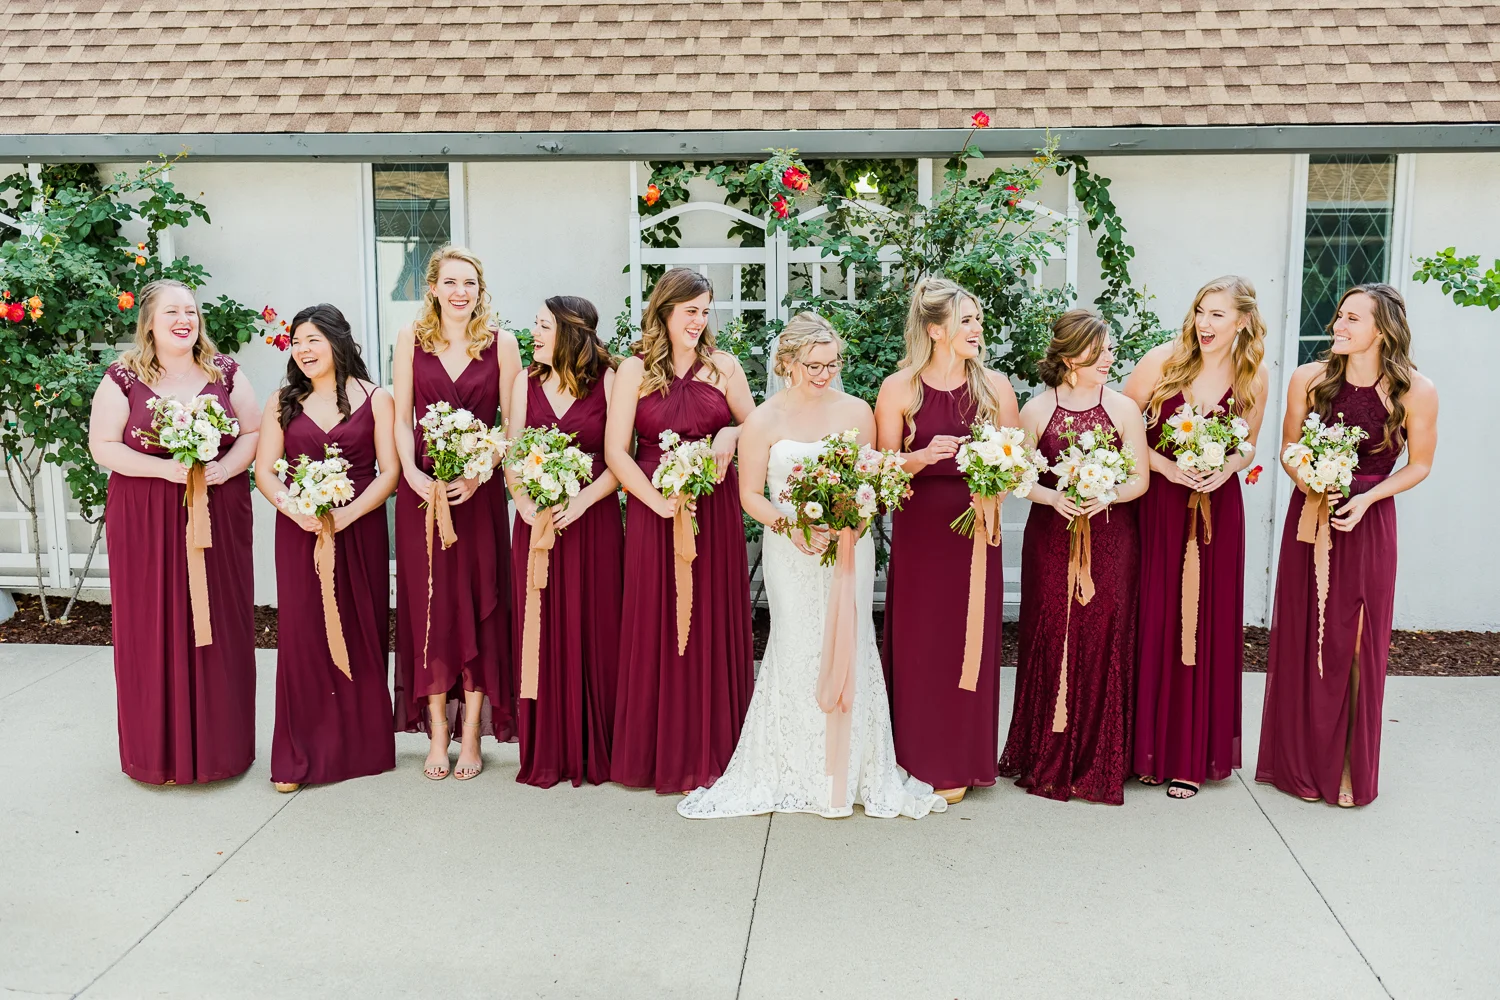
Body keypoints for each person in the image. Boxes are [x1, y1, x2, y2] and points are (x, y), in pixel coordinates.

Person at [679, 313, 946, 819]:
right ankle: (795, 770)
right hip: (790, 549)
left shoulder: (856, 411)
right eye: (814, 365)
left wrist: (855, 517)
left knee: (852, 641)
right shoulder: (764, 420)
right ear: (786, 363)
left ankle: (852, 770)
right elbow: (750, 496)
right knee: (797, 645)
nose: (825, 374)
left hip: (848, 547)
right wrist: (792, 526)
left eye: (832, 364)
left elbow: (872, 478)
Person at [1257, 284, 1438, 807]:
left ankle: (1345, 767)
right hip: (1313, 515)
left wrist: (1368, 497)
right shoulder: (1309, 379)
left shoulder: (1416, 390)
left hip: (1370, 520)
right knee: (1307, 636)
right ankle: (1300, 764)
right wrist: (1312, 481)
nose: (1338, 325)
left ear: (1383, 330)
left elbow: (1420, 464)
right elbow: (1289, 448)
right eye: (1339, 316)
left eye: (1352, 319)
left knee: (1357, 644)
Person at [88, 278, 261, 785]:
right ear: (149, 323)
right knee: (151, 623)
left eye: (190, 311)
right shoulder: (123, 377)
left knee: (222, 621)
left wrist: (226, 468)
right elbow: (103, 446)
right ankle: (156, 755)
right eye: (172, 312)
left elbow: (252, 431)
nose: (185, 320)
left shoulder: (225, 371)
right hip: (145, 515)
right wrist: (164, 470)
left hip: (217, 509)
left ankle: (222, 751)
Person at [606, 268, 755, 794]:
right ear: (665, 311)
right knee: (657, 620)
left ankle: (711, 750)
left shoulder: (724, 367)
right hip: (655, 510)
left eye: (705, 311)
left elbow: (758, 426)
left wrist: (731, 433)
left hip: (713, 510)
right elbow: (616, 451)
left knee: (710, 618)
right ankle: (658, 754)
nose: (699, 320)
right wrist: (656, 504)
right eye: (690, 310)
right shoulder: (634, 370)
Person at [1123, 276, 1270, 799]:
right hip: (1158, 507)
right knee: (1155, 616)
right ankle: (1147, 749)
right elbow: (1119, 431)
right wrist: (1166, 467)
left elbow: (1249, 444)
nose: (1204, 324)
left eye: (1217, 315)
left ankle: (1190, 755)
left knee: (1206, 623)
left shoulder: (1254, 375)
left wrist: (1226, 467)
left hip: (1217, 511)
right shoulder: (1161, 362)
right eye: (1200, 311)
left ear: (1243, 321)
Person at [875, 276, 1019, 804]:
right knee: (923, 642)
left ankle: (962, 759)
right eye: (966, 321)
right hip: (921, 535)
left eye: (978, 320)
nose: (977, 329)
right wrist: (919, 457)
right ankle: (915, 757)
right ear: (936, 330)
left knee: (968, 640)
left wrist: (995, 483)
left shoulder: (995, 387)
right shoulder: (899, 388)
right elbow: (881, 471)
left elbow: (1018, 461)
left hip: (976, 532)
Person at [999, 309, 1149, 804]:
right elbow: (1019, 476)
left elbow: (1140, 479)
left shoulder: (1124, 408)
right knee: (1052, 632)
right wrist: (1052, 497)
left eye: (1110, 349)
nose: (1109, 358)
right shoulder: (1036, 409)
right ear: (1069, 357)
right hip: (1051, 536)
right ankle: (1045, 752)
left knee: (1105, 634)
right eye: (1098, 351)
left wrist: (1107, 494)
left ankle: (1100, 759)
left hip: (1111, 537)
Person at [391, 246, 523, 781]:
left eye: (469, 283)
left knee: (478, 606)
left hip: (477, 497)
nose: (460, 292)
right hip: (423, 495)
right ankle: (437, 734)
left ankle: (470, 735)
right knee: (430, 608)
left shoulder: (503, 344)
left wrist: (480, 472)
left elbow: (512, 426)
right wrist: (411, 472)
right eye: (450, 282)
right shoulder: (410, 339)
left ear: (480, 289)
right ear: (433, 288)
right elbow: (402, 419)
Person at [254, 304, 398, 792]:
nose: (303, 349)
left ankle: (362, 747)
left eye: (313, 339)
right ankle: (298, 754)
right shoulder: (281, 401)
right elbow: (265, 470)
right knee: (303, 635)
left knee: (361, 627)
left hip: (359, 530)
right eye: (297, 342)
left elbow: (389, 473)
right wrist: (294, 509)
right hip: (300, 532)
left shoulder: (377, 399)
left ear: (338, 341)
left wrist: (348, 514)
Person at [505, 296, 623, 788]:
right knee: (539, 629)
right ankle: (547, 748)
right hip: (536, 526)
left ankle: (597, 747)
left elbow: (622, 457)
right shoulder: (524, 382)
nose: (534, 334)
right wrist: (522, 502)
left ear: (571, 333)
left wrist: (583, 501)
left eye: (543, 326)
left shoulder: (609, 380)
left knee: (596, 628)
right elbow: (512, 454)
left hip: (592, 524)